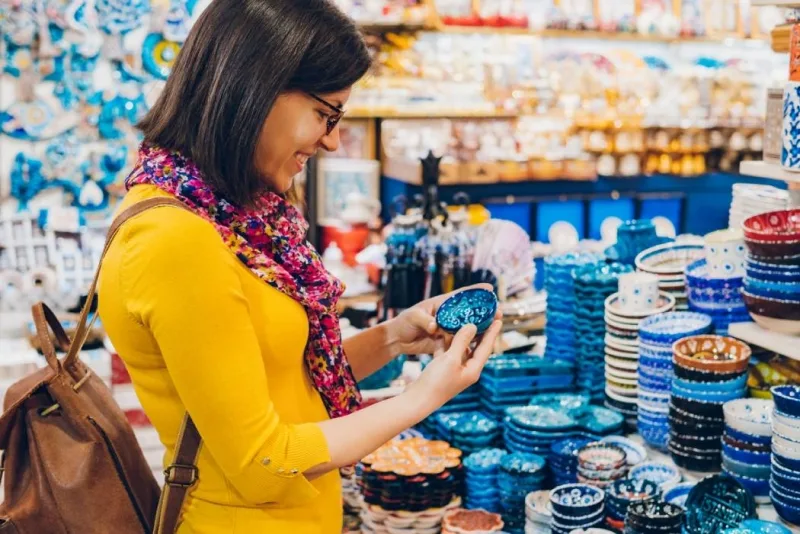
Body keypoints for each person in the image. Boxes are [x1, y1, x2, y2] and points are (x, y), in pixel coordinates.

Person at [97, 1, 503, 532]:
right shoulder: (176, 240)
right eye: (325, 114)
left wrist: (393, 338)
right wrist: (426, 394)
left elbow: (287, 380)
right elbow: (262, 463)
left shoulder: (236, 215)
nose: (331, 140)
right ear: (255, 89)